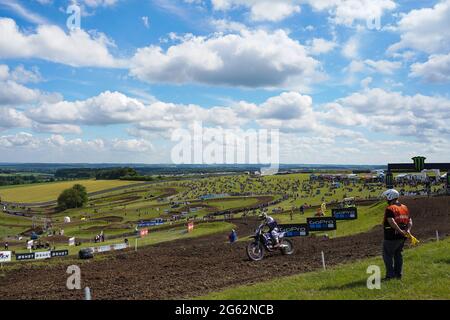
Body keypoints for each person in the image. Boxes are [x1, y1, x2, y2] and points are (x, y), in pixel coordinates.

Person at [381, 189, 413, 280]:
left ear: (390, 197)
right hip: (402, 237)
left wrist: (399, 230)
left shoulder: (390, 208)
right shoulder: (404, 207)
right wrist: (408, 231)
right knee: (398, 254)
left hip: (391, 236)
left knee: (387, 255)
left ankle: (390, 275)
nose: (386, 199)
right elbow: (409, 220)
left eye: (386, 197)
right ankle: (398, 274)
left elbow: (391, 221)